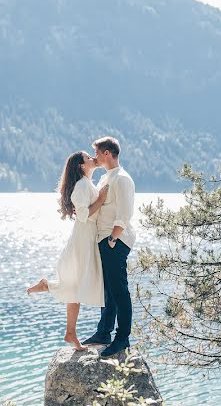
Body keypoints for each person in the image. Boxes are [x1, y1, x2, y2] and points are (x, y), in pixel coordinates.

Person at [26, 150, 109, 349]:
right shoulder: (81, 186)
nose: (92, 159)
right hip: (83, 239)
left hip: (89, 237)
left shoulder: (87, 183)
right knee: (77, 286)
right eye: (88, 158)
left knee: (76, 288)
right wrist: (101, 199)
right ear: (81, 165)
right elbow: (82, 215)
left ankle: (70, 333)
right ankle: (48, 287)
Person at [82, 136, 136, 358]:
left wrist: (113, 239)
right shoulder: (106, 177)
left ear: (106, 153)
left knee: (119, 291)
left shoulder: (122, 179)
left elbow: (125, 213)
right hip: (104, 240)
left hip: (115, 240)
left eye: (97, 153)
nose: (95, 157)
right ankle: (103, 333)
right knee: (108, 291)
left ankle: (122, 338)